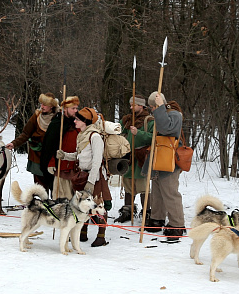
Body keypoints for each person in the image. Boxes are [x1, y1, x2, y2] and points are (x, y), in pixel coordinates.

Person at [56, 107, 112, 247]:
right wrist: (65, 156)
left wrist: (91, 181)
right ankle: (83, 232)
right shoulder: (82, 135)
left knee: (99, 204)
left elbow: (97, 161)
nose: (74, 121)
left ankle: (101, 236)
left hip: (95, 176)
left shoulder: (95, 137)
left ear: (85, 122)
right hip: (83, 174)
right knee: (84, 204)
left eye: (77, 119)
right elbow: (79, 155)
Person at [142, 91, 185, 241]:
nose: (152, 110)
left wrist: (160, 108)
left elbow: (167, 128)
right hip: (158, 159)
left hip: (170, 159)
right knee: (157, 191)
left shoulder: (175, 115)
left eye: (153, 107)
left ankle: (177, 224)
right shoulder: (160, 114)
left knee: (170, 192)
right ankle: (157, 218)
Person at [6, 93, 59, 191]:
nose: (41, 106)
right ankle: (43, 204)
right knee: (40, 186)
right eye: (41, 104)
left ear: (51, 106)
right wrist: (14, 143)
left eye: (44, 105)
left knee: (54, 185)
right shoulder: (36, 116)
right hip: (37, 156)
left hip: (52, 157)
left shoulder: (59, 118)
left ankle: (54, 204)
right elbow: (26, 134)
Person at [114, 95, 154, 223]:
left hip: (141, 160)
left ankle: (147, 213)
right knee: (128, 187)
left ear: (141, 106)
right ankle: (128, 211)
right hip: (128, 159)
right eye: (130, 105)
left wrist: (139, 133)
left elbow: (154, 138)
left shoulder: (149, 121)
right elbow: (116, 129)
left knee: (143, 189)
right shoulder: (126, 120)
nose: (131, 107)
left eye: (133, 105)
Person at [41, 96, 80, 199]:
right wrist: (52, 162)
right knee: (62, 196)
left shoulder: (77, 122)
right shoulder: (57, 123)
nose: (75, 111)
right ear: (65, 109)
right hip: (61, 167)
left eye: (77, 108)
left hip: (75, 165)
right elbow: (50, 146)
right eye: (73, 108)